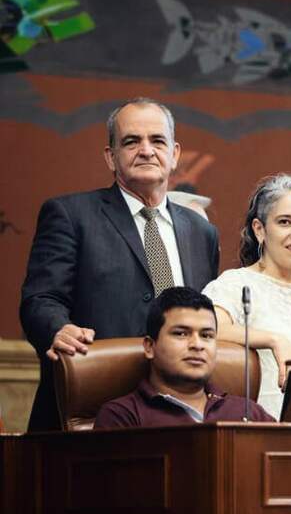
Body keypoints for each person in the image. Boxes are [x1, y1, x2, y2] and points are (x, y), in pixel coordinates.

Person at [20, 97, 220, 432]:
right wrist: (57, 328)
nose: (145, 150)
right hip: (92, 408)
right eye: (131, 141)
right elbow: (40, 300)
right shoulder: (70, 215)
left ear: (174, 155)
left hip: (179, 416)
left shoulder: (202, 231)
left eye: (157, 141)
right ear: (111, 157)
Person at [202, 174, 291, 419]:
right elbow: (206, 329)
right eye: (285, 222)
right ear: (259, 229)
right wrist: (274, 340)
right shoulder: (237, 283)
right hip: (255, 431)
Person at [95, 287, 273, 428]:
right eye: (181, 334)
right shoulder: (123, 416)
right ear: (150, 347)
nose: (197, 344)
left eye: (207, 335)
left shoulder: (248, 413)